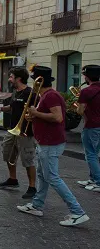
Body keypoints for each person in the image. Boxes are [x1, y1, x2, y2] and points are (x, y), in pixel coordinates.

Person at [17, 66, 89, 227]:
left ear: (39, 81)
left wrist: (35, 113)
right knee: (43, 176)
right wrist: (33, 118)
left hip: (51, 142)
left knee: (53, 177)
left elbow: (57, 117)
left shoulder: (51, 96)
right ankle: (37, 205)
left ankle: (77, 211)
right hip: (45, 141)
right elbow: (48, 117)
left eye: (35, 79)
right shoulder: (46, 96)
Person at [0, 68, 37, 199]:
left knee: (27, 159)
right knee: (8, 154)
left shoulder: (30, 93)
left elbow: (36, 110)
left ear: (18, 78)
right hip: (13, 129)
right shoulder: (15, 92)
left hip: (26, 132)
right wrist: (1, 108)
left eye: (11, 77)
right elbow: (13, 107)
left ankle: (32, 187)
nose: (9, 79)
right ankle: (13, 179)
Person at [76, 64, 100, 192]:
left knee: (90, 154)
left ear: (87, 76)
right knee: (94, 153)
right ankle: (92, 178)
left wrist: (76, 106)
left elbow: (80, 111)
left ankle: (98, 181)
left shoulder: (86, 91)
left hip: (91, 125)